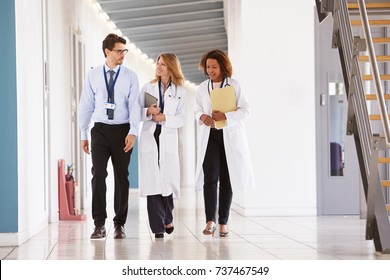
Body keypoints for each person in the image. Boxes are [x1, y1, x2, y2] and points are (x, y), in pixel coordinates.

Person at [79, 33, 141, 239]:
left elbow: (134, 106)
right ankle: (98, 224)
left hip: (122, 130)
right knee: (98, 175)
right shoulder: (94, 75)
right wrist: (83, 133)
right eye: (119, 50)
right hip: (99, 131)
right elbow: (86, 104)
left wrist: (133, 132)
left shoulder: (130, 76)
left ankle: (119, 224)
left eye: (124, 50)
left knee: (122, 178)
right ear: (107, 51)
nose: (123, 54)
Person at [195, 49, 255, 237]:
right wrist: (201, 116)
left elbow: (245, 110)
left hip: (229, 136)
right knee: (210, 179)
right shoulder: (202, 87)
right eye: (208, 67)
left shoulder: (234, 85)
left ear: (223, 66)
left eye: (214, 67)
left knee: (227, 180)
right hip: (210, 136)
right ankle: (210, 221)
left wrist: (226, 116)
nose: (210, 70)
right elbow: (196, 109)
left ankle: (223, 223)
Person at [138, 53, 186, 238]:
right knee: (153, 183)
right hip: (151, 136)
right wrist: (148, 112)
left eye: (163, 64)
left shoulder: (180, 91)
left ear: (171, 67)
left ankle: (167, 216)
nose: (159, 67)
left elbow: (181, 118)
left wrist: (165, 117)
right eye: (158, 63)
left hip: (167, 137)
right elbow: (138, 112)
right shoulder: (148, 88)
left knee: (166, 181)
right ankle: (157, 227)